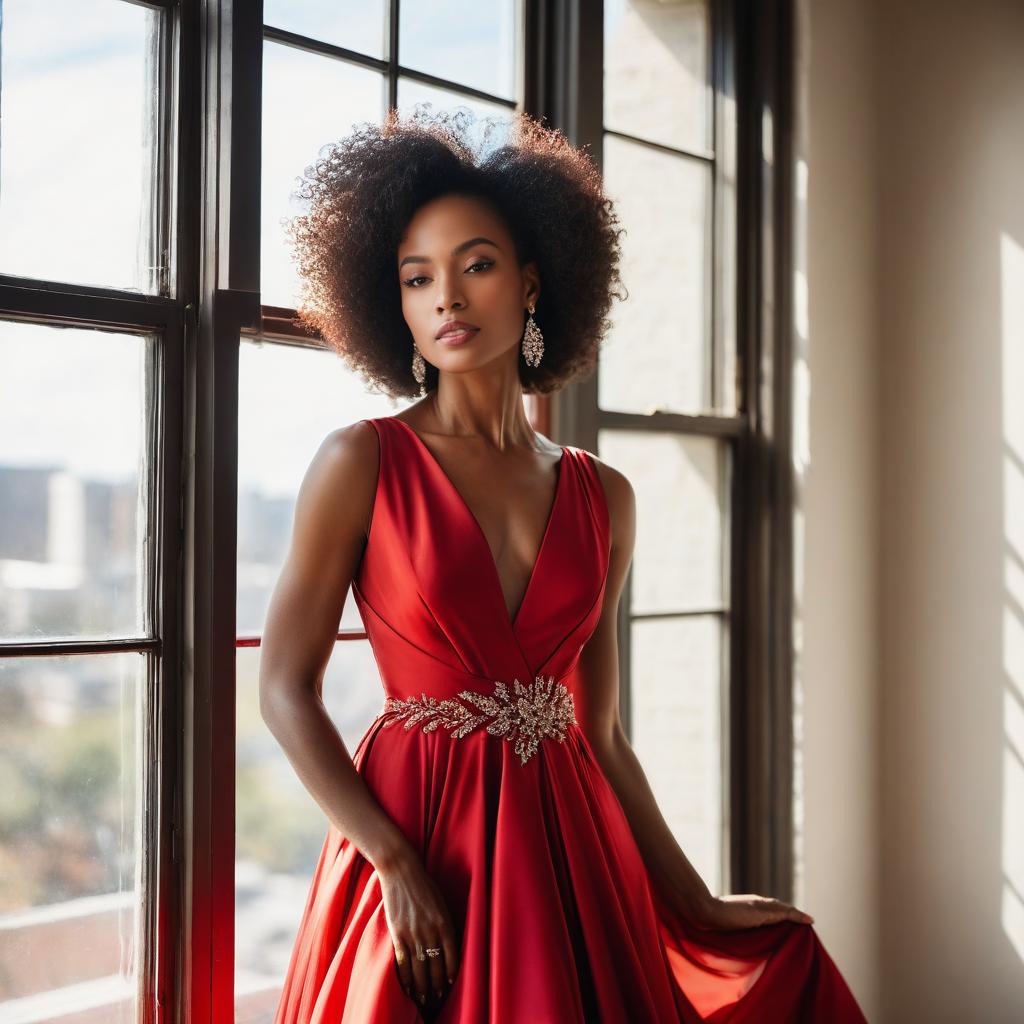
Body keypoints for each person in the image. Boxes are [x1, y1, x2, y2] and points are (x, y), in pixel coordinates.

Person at [260, 104, 868, 1023]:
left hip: (571, 852)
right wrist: (390, 860)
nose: (447, 298)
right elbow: (282, 688)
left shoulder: (602, 494)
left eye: (477, 264)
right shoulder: (361, 462)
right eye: (417, 278)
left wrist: (696, 900)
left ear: (534, 282)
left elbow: (605, 735)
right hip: (419, 841)